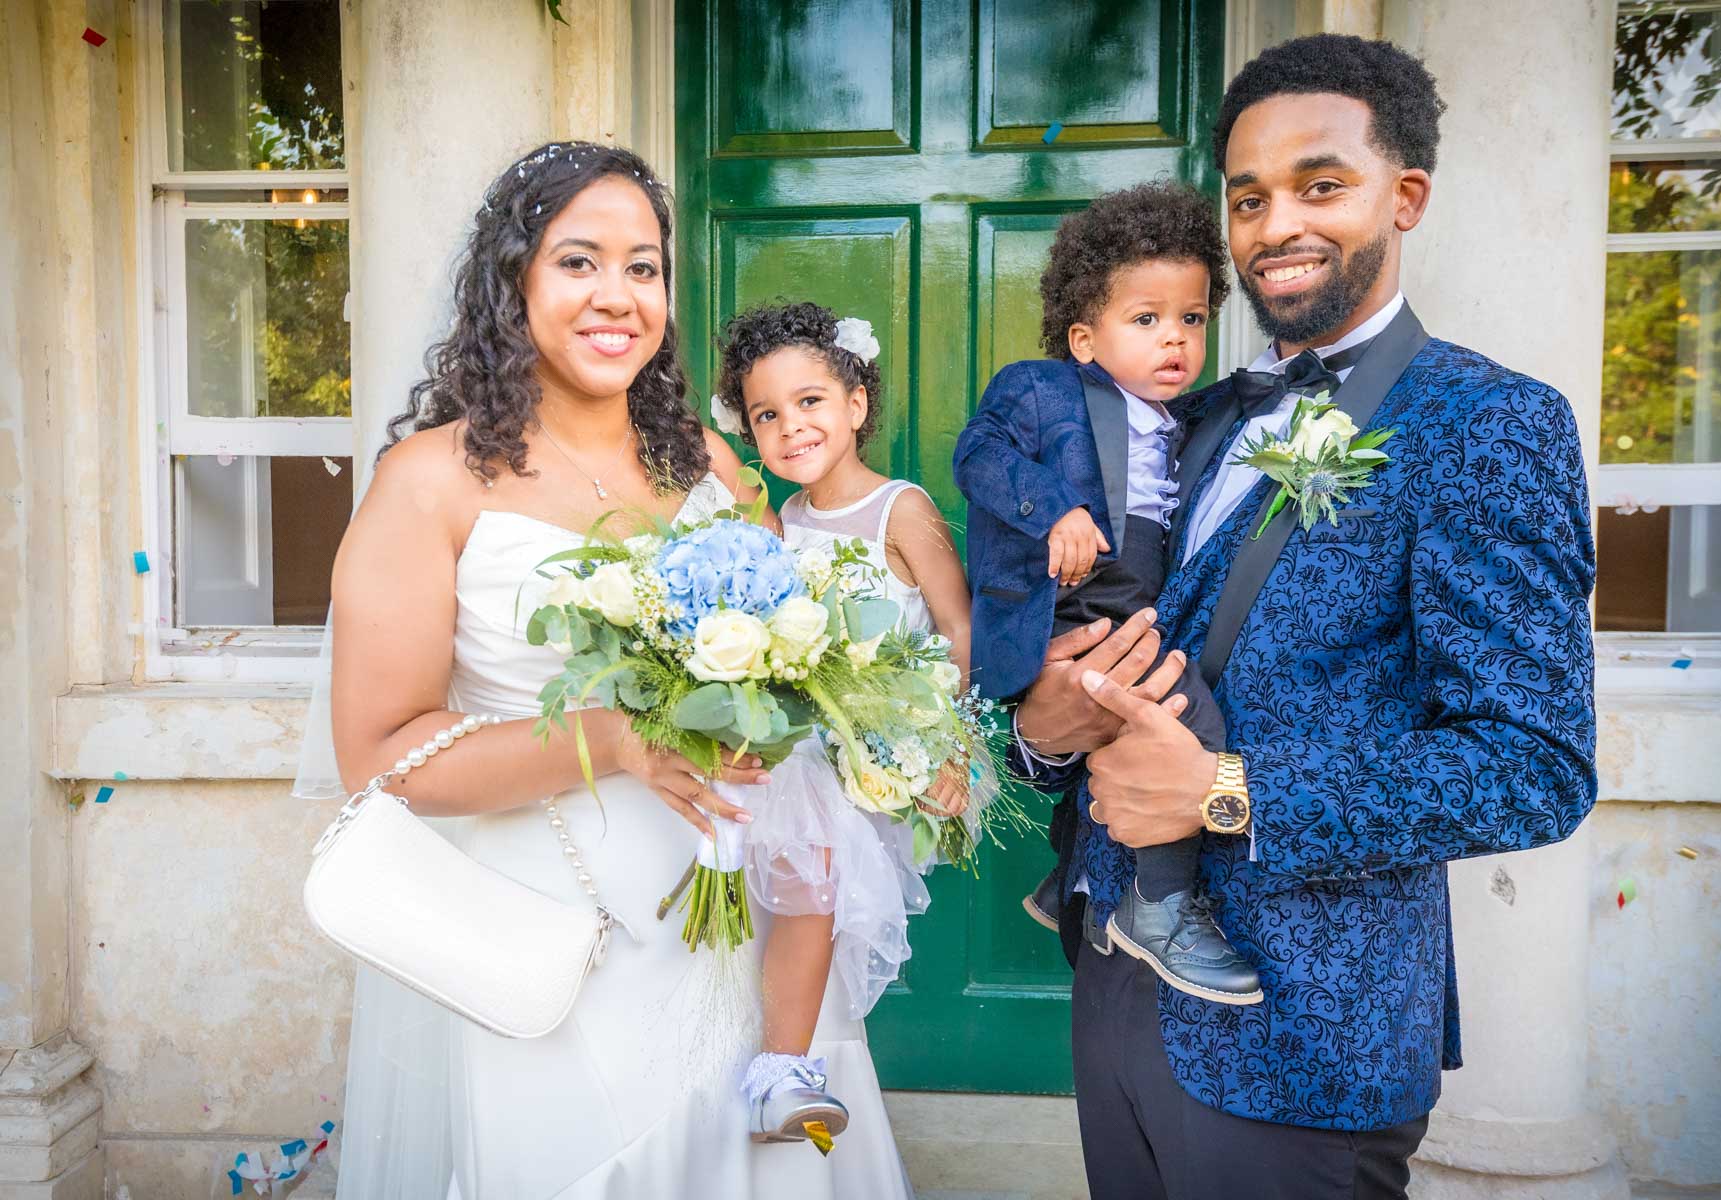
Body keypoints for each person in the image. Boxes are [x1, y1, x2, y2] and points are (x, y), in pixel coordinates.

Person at [1004, 35, 1598, 1199]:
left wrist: (1225, 791)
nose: (1278, 224)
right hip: (1114, 985)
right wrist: (1046, 727)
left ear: (1404, 195)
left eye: (1320, 186)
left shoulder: (1492, 424)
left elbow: (1535, 763)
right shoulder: (1187, 411)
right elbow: (1110, 640)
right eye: (1249, 197)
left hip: (1303, 1042)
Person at [317, 141, 906, 1199]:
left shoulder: (714, 463)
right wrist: (615, 740)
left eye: (644, 267)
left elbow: (791, 653)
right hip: (560, 944)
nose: (618, 296)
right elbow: (379, 756)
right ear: (515, 282)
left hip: (740, 916)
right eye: (578, 261)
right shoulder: (427, 483)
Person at [953, 182, 1262, 1006]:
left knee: (1114, 740)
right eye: (1147, 319)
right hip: (1073, 604)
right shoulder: (1041, 389)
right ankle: (1159, 904)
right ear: (1085, 339)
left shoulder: (1186, 416)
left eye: (1191, 320)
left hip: (1135, 600)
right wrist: (1052, 508)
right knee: (1187, 718)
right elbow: (977, 455)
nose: (1175, 340)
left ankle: (1069, 879)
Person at [709, 301, 969, 1173]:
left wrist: (957, 749)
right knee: (771, 903)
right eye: (767, 415)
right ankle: (762, 1066)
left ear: (858, 402)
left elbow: (959, 633)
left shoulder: (902, 511)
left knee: (816, 876)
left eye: (811, 401)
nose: (791, 428)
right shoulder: (779, 522)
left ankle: (783, 1072)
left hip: (872, 754)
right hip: (795, 751)